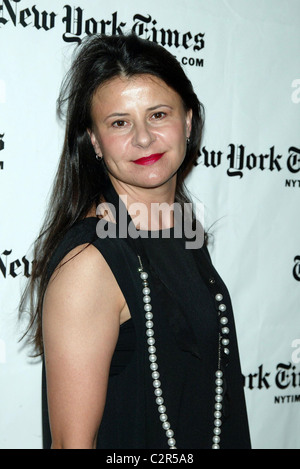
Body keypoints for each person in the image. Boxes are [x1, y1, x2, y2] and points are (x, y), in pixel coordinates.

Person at [20, 33, 251, 449]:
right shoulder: (90, 263)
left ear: (188, 121)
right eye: (120, 123)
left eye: (158, 115)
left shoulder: (178, 230)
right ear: (93, 140)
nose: (143, 139)